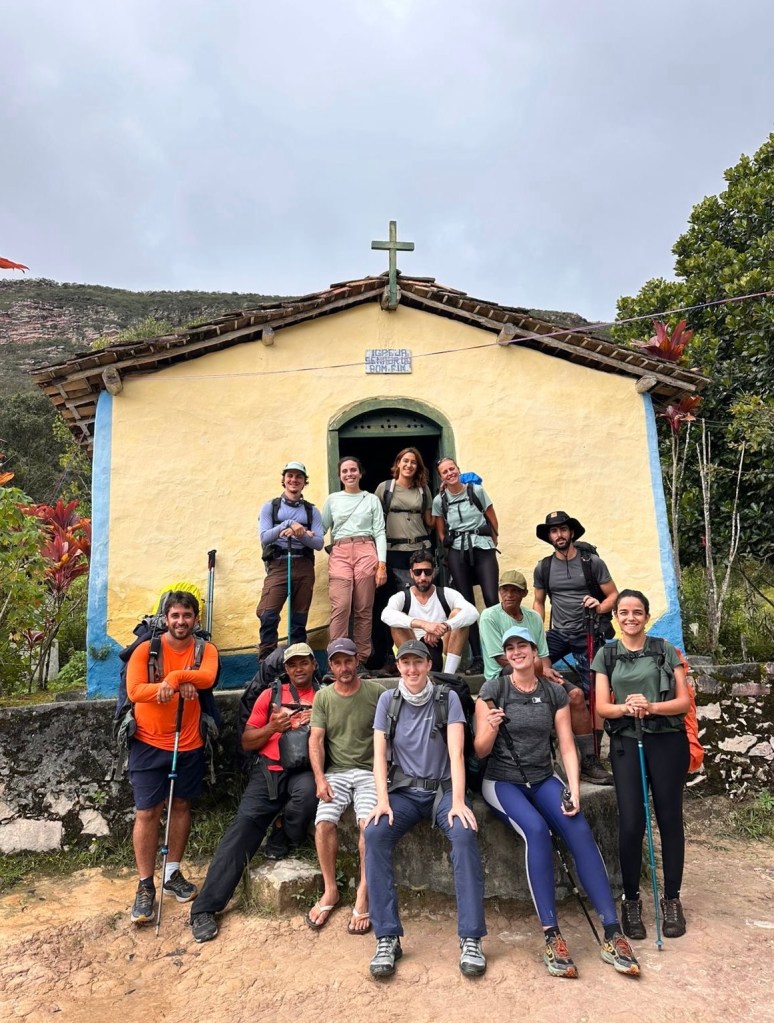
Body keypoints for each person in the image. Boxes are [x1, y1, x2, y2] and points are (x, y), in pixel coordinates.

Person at [473, 626, 640, 979]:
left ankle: (612, 932)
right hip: (502, 782)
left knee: (578, 829)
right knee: (536, 831)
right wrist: (490, 727)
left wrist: (574, 789)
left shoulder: (553, 692)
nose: (517, 652)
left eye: (522, 645)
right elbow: (480, 750)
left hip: (543, 778)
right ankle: (552, 935)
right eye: (510, 647)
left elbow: (566, 744)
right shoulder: (493, 690)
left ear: (535, 651)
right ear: (505, 656)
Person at [364, 639, 487, 979]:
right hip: (403, 793)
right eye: (405, 663)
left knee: (463, 833)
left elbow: (457, 754)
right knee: (374, 834)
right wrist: (382, 800)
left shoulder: (447, 700)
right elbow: (378, 756)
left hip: (443, 790)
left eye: (418, 662)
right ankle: (387, 937)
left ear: (429, 664)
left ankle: (471, 938)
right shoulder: (388, 700)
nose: (412, 669)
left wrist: (459, 801)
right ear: (398, 665)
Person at [188, 644, 319, 942]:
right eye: (292, 665)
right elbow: (247, 742)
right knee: (243, 828)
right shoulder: (269, 696)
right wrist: (272, 727)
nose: (298, 669)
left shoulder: (325, 697)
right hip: (268, 771)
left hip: (305, 770)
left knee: (308, 793)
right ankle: (205, 908)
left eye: (304, 663)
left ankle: (283, 832)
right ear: (285, 669)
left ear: (314, 665)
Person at [593, 589, 691, 940]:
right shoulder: (606, 654)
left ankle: (672, 899)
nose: (630, 617)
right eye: (624, 612)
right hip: (626, 740)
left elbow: (682, 702)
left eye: (637, 612)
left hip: (667, 740)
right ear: (616, 617)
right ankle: (631, 900)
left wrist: (650, 707)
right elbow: (602, 707)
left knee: (669, 819)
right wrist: (626, 708)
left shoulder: (665, 649)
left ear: (646, 617)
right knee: (632, 822)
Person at [126, 590, 219, 924]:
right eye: (175, 615)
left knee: (181, 806)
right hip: (148, 743)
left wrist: (176, 678)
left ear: (196, 619)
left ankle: (172, 873)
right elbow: (135, 691)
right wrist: (169, 688)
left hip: (188, 742)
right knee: (147, 811)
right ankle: (144, 884)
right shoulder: (145, 650)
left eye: (187, 615)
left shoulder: (205, 650)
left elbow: (207, 678)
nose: (181, 621)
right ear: (165, 619)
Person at [305, 638, 385, 933]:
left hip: (369, 772)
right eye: (337, 663)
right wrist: (320, 778)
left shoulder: (377, 693)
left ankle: (363, 893)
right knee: (324, 823)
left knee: (368, 826)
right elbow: (315, 740)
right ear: (330, 666)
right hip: (336, 773)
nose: (344, 667)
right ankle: (331, 890)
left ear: (357, 661)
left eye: (348, 661)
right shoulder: (323, 697)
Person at [532, 510, 616, 785]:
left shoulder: (592, 563)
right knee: (527, 665)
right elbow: (538, 602)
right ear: (549, 536)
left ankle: (592, 758)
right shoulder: (544, 567)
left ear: (571, 532)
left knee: (595, 692)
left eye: (563, 529)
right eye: (554, 531)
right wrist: (536, 635)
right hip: (558, 634)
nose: (559, 535)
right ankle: (544, 745)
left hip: (588, 632)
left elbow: (613, 595)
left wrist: (599, 606)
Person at [370, 447, 435, 674]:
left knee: (419, 605)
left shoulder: (423, 490)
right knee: (392, 606)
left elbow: (430, 521)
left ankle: (423, 655)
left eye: (413, 462)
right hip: (392, 552)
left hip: (420, 552)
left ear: (418, 467)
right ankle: (390, 657)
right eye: (405, 461)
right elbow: (374, 520)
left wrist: (445, 501)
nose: (409, 465)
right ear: (398, 463)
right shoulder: (385, 488)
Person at [433, 456, 499, 675]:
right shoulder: (440, 500)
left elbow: (492, 520)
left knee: (491, 599)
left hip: (482, 546)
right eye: (445, 472)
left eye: (452, 469)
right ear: (440, 477)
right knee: (467, 605)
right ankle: (478, 657)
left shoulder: (476, 491)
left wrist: (492, 543)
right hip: (457, 551)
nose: (450, 473)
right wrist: (448, 551)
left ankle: (499, 652)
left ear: (458, 470)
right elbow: (440, 531)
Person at [322, 456, 387, 672]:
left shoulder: (371, 499)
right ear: (339, 475)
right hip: (340, 550)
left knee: (363, 608)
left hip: (366, 549)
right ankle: (336, 659)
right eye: (345, 471)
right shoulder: (332, 500)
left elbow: (379, 532)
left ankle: (360, 660)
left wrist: (382, 565)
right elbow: (320, 528)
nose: (349, 474)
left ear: (360, 473)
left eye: (353, 470)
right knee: (341, 606)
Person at [256, 460, 324, 660]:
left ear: (304, 481)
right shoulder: (270, 507)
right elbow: (265, 537)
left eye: (299, 476)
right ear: (284, 480)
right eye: (290, 476)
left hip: (303, 565)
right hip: (278, 564)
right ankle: (267, 663)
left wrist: (299, 533)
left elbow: (318, 543)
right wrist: (288, 523)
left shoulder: (312, 511)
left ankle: (298, 662)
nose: (294, 480)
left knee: (298, 619)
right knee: (268, 614)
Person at [381, 550, 479, 674]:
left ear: (433, 572)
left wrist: (444, 627)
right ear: (411, 573)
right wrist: (425, 625)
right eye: (418, 572)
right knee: (396, 620)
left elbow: (472, 612)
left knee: (459, 614)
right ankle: (414, 671)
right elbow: (385, 615)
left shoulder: (446, 593)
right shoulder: (402, 597)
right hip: (414, 651)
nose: (423, 577)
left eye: (427, 572)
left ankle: (448, 676)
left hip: (444, 651)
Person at [479, 570, 565, 683]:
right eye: (505, 590)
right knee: (537, 665)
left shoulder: (535, 617)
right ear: (499, 591)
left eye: (514, 590)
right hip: (502, 674)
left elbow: (543, 655)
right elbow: (501, 659)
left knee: (574, 692)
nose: (509, 595)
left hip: (535, 669)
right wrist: (539, 669)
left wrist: (546, 669)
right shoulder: (489, 616)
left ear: (524, 593)